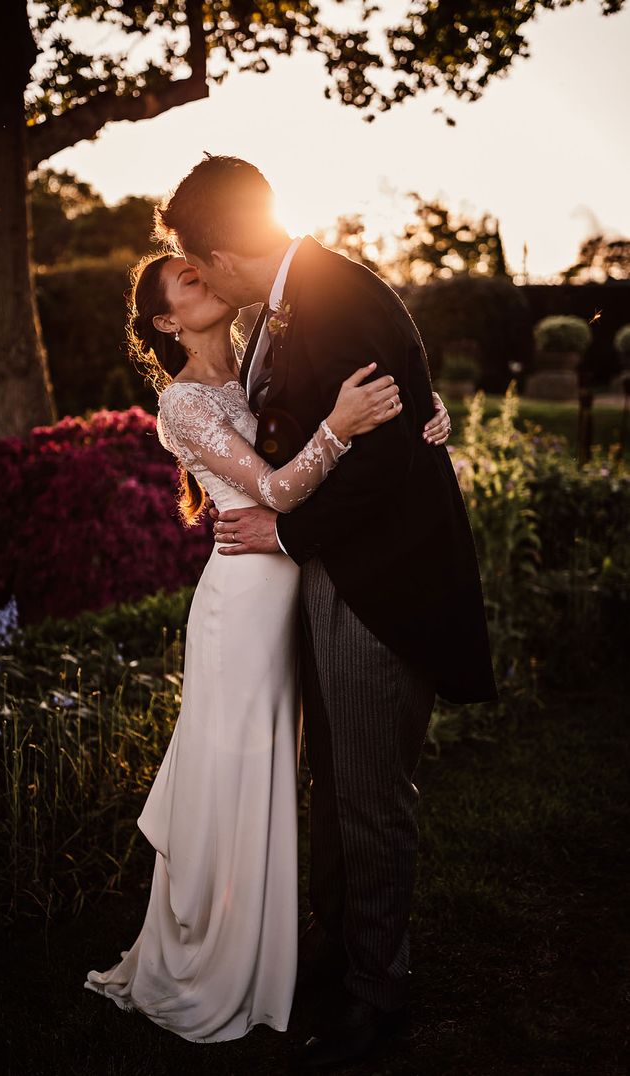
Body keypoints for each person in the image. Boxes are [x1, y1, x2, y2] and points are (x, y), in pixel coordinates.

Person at [155, 154, 498, 1068]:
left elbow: (388, 460)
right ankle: (338, 959)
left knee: (368, 794)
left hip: (378, 584)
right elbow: (343, 433)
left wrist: (289, 538)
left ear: (225, 253)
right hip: (326, 577)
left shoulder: (337, 294)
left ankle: (378, 995)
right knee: (335, 786)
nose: (204, 278)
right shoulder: (290, 300)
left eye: (200, 262)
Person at [82, 249, 452, 1045]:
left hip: (296, 590)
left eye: (201, 268)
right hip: (244, 603)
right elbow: (277, 489)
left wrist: (425, 408)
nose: (205, 279)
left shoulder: (254, 364)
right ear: (166, 323)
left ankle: (281, 947)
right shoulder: (180, 403)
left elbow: (318, 415)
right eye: (185, 283)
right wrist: (341, 427)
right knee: (235, 771)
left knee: (290, 769)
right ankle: (210, 954)